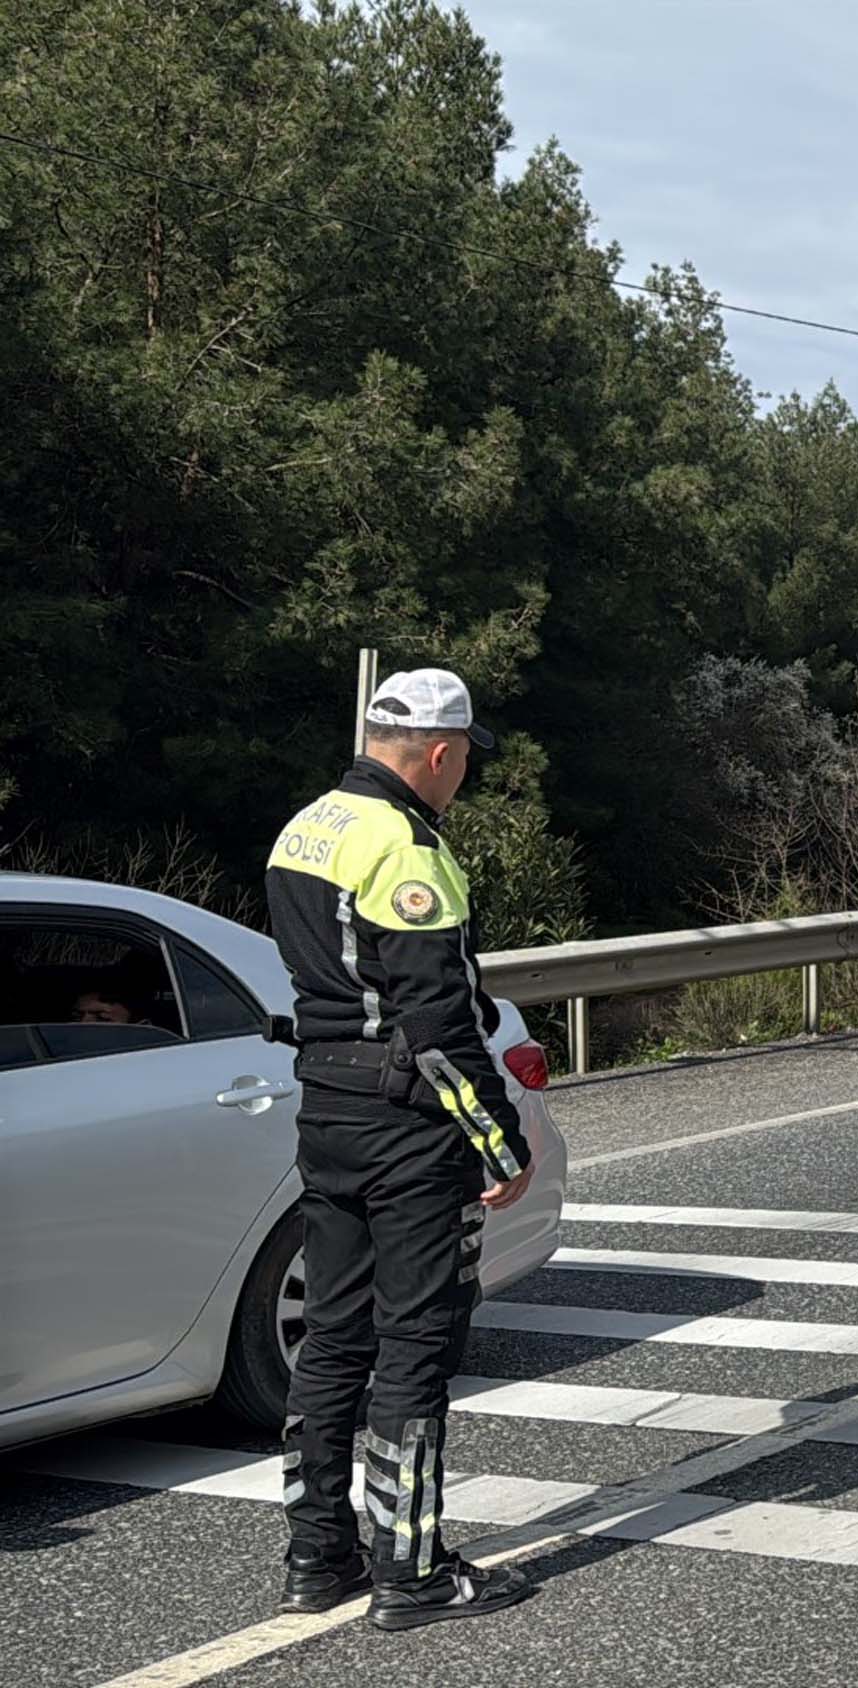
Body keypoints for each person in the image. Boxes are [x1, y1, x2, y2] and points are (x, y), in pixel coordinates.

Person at [263, 668, 536, 1629]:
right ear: (437, 752)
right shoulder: (408, 849)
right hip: (407, 1126)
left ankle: (316, 1556)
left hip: (325, 1112)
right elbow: (438, 1020)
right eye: (463, 758)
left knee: (332, 1338)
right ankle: (411, 1572)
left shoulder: (307, 826)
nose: (462, 775)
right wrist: (499, 1142)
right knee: (416, 1347)